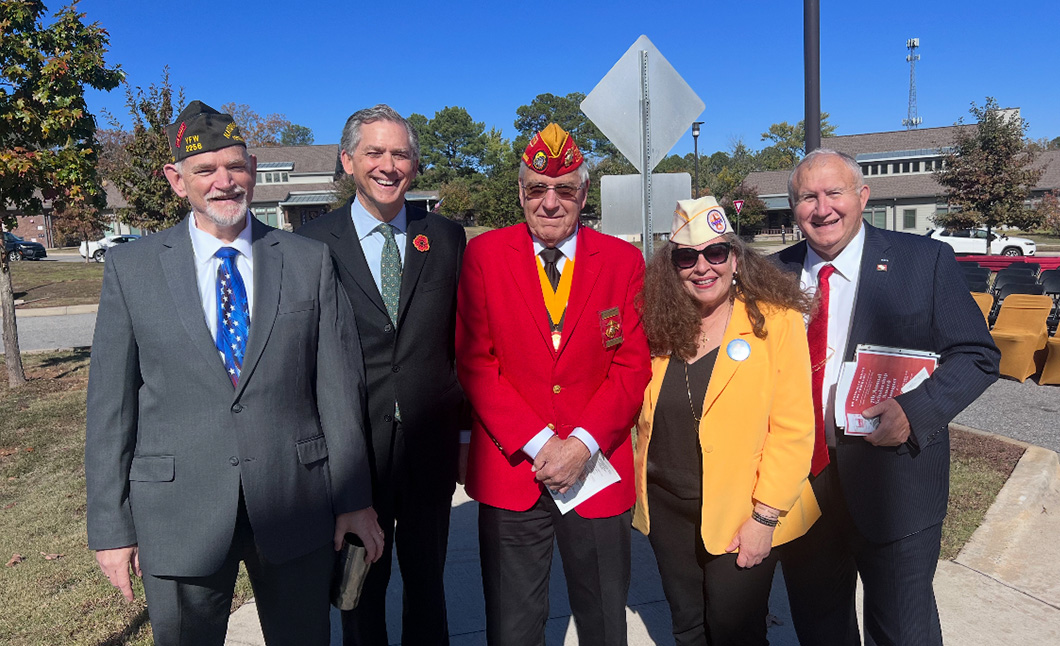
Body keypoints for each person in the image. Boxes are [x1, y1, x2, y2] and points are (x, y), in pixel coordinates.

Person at [84, 100, 384, 646]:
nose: (224, 182)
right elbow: (110, 408)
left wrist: (355, 499)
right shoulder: (132, 269)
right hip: (178, 512)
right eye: (205, 170)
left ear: (252, 169)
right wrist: (110, 528)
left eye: (236, 167)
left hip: (295, 503)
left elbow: (338, 390)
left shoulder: (307, 260)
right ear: (177, 180)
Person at [774, 149, 1000, 646]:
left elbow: (977, 355)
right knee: (820, 628)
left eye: (834, 193)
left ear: (862, 196)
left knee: (903, 630)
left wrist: (915, 411)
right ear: (793, 207)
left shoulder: (923, 261)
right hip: (801, 485)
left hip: (896, 480)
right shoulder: (770, 275)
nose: (822, 208)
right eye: (807, 197)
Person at [456, 123, 651, 646]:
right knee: (513, 628)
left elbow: (631, 366)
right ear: (520, 192)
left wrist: (580, 445)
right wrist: (545, 444)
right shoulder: (485, 256)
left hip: (596, 470)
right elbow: (476, 362)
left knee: (605, 623)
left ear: (583, 194)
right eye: (537, 188)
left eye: (564, 188)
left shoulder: (623, 261)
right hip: (513, 470)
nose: (550, 202)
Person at [297, 104, 466, 646]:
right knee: (358, 592)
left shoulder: (444, 238)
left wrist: (464, 434)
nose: (388, 165)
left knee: (428, 588)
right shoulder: (310, 246)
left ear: (414, 166)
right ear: (348, 160)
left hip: (428, 446)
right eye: (374, 152)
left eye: (400, 154)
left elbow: (458, 345)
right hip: (352, 454)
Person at [632, 196, 819, 645]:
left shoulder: (777, 321)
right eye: (687, 257)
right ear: (672, 267)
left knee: (736, 629)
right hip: (668, 507)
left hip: (745, 511)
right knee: (688, 627)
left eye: (716, 253)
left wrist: (765, 519)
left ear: (736, 258)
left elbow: (793, 429)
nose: (703, 267)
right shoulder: (656, 325)